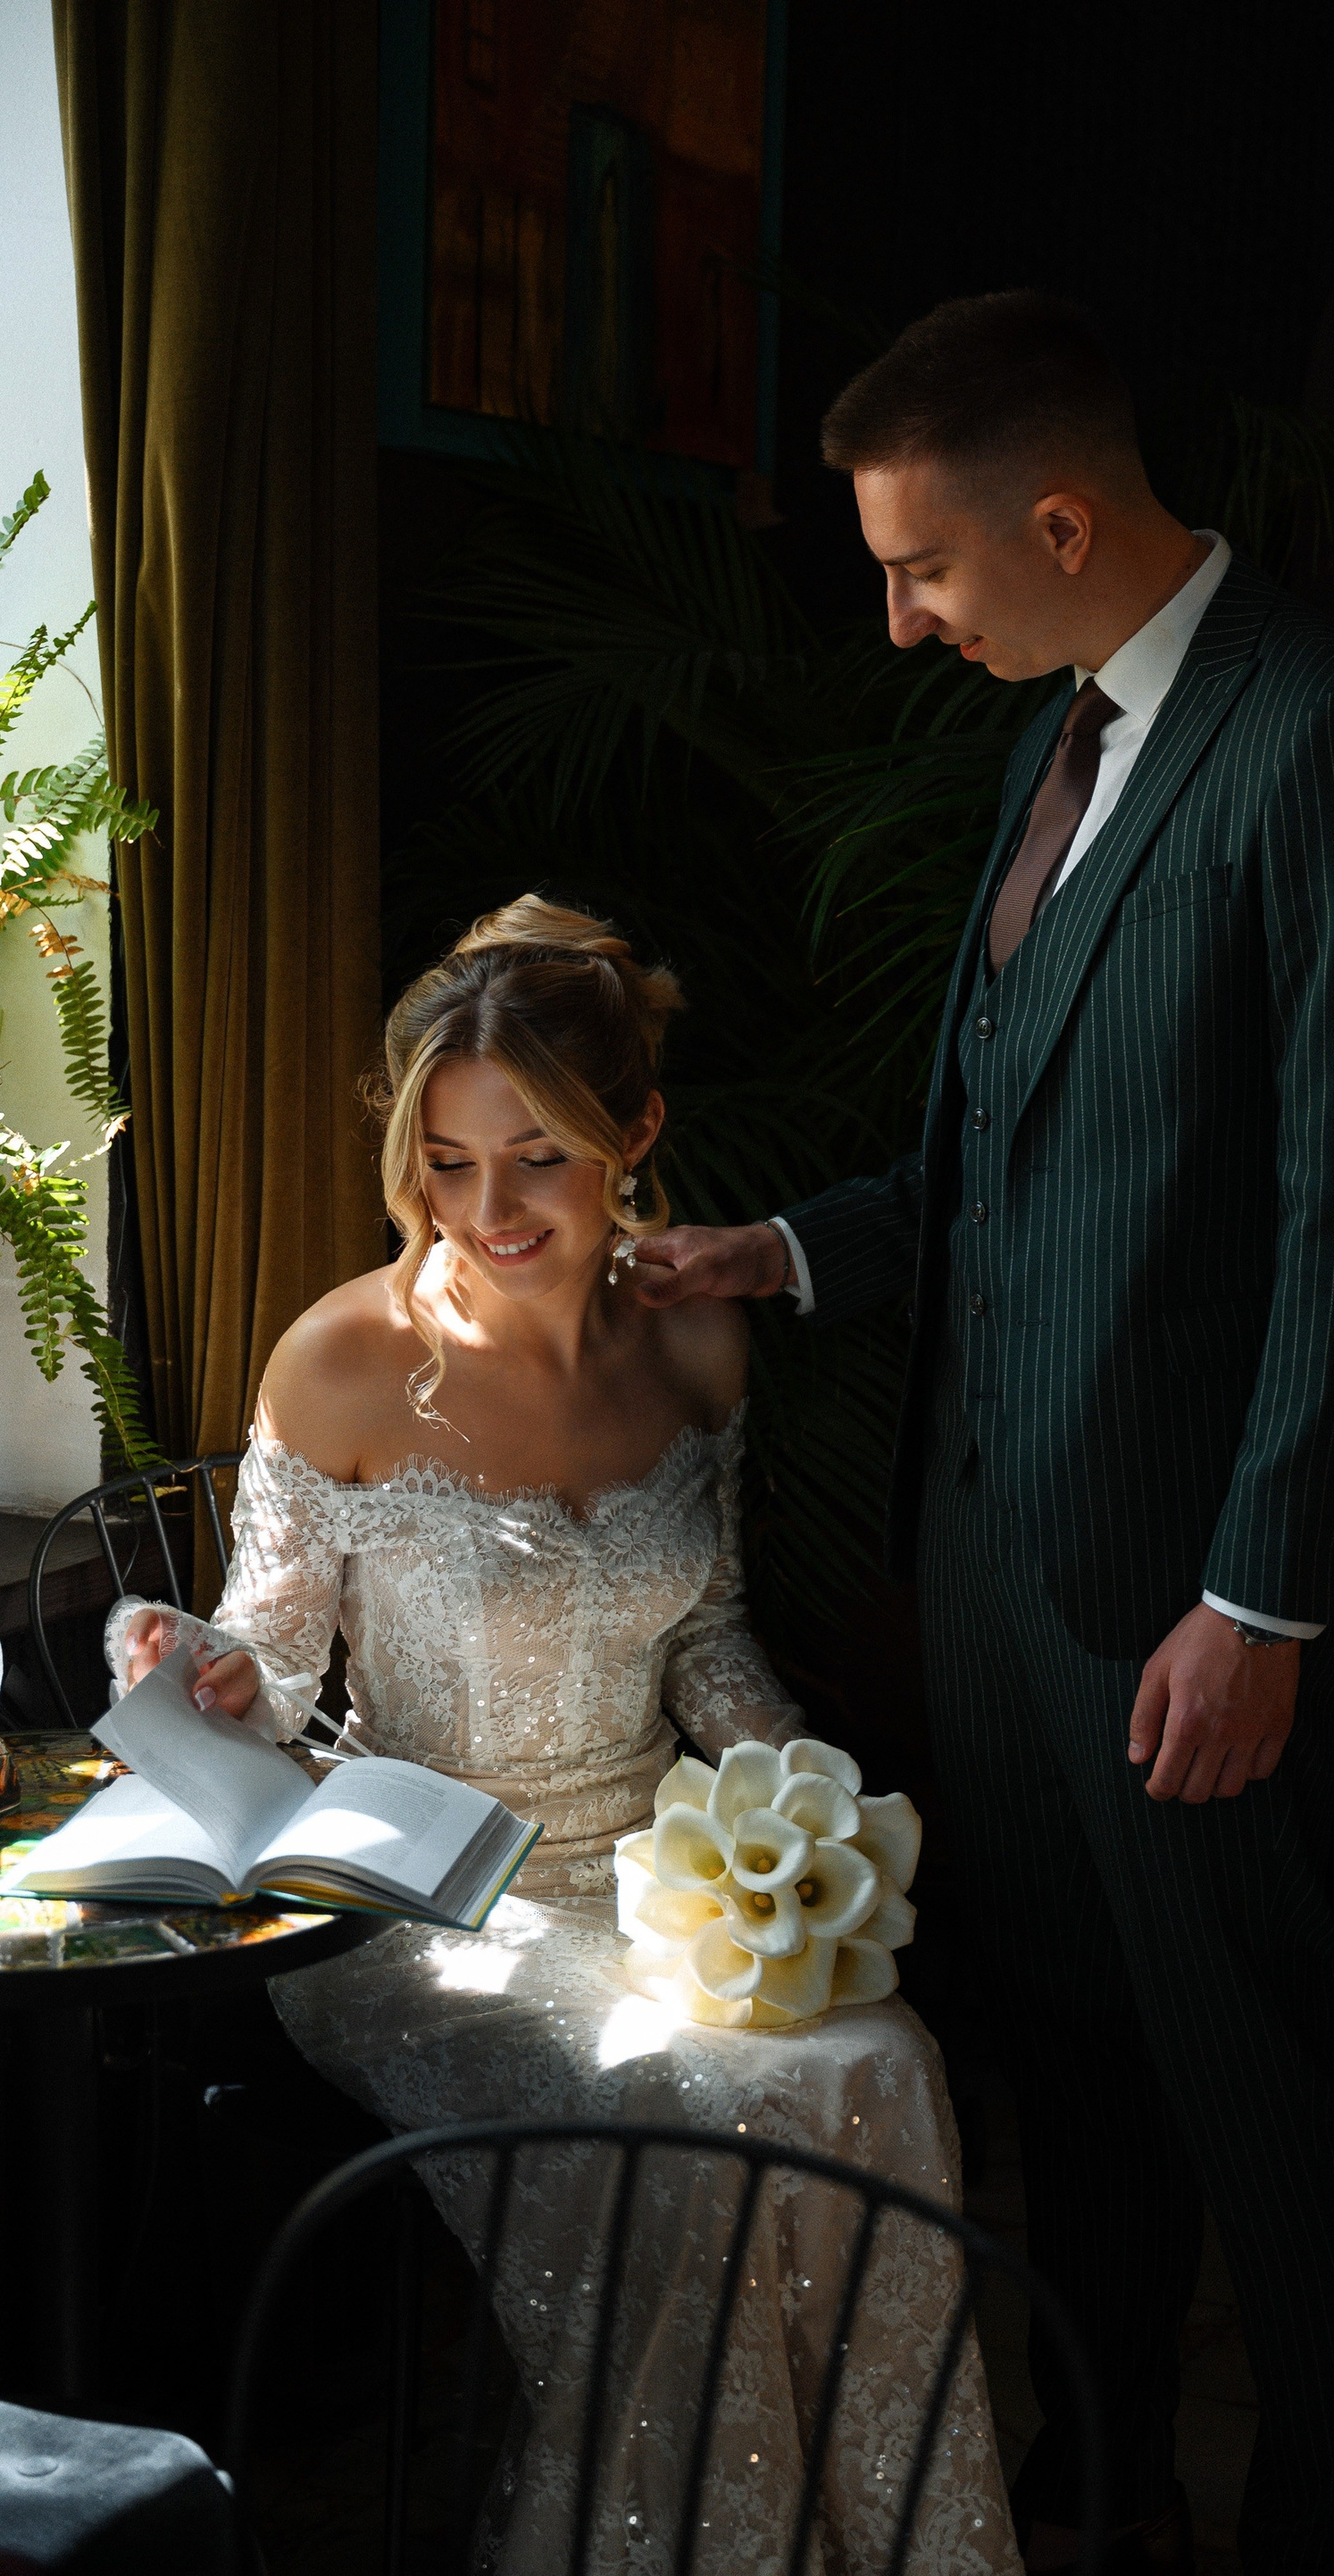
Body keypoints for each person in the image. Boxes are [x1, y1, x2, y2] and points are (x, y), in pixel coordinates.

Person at [631, 294, 1334, 2575]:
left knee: (1262, 2108)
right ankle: (1103, 2512)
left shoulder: (1332, 740)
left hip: (1194, 1602)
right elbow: (1004, 1157)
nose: (903, 620)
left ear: (1068, 520)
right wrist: (774, 1253)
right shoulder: (1061, 731)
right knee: (1079, 2090)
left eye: (923, 567)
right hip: (998, 1575)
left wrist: (1261, 1601)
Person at [115, 898, 1020, 2575]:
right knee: (667, 2114)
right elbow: (271, 1665)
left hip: (660, 1869)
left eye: (537, 1156)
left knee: (878, 2062)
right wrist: (198, 1668)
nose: (491, 1210)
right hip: (418, 1898)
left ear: (635, 1134)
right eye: (449, 1163)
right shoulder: (343, 1357)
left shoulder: (695, 1336)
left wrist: (813, 1805)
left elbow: (710, 1638)